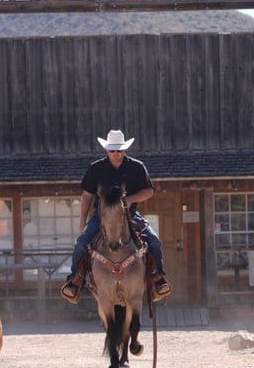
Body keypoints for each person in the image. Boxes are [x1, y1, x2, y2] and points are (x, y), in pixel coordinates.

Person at [60, 129, 172, 304]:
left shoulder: (137, 167)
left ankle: (157, 278)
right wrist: (82, 221)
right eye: (112, 150)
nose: (115, 153)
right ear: (106, 150)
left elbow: (149, 190)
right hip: (101, 216)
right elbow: (87, 195)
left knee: (155, 241)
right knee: (82, 242)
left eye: (119, 150)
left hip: (130, 214)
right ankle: (75, 280)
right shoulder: (96, 169)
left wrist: (130, 200)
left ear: (124, 149)